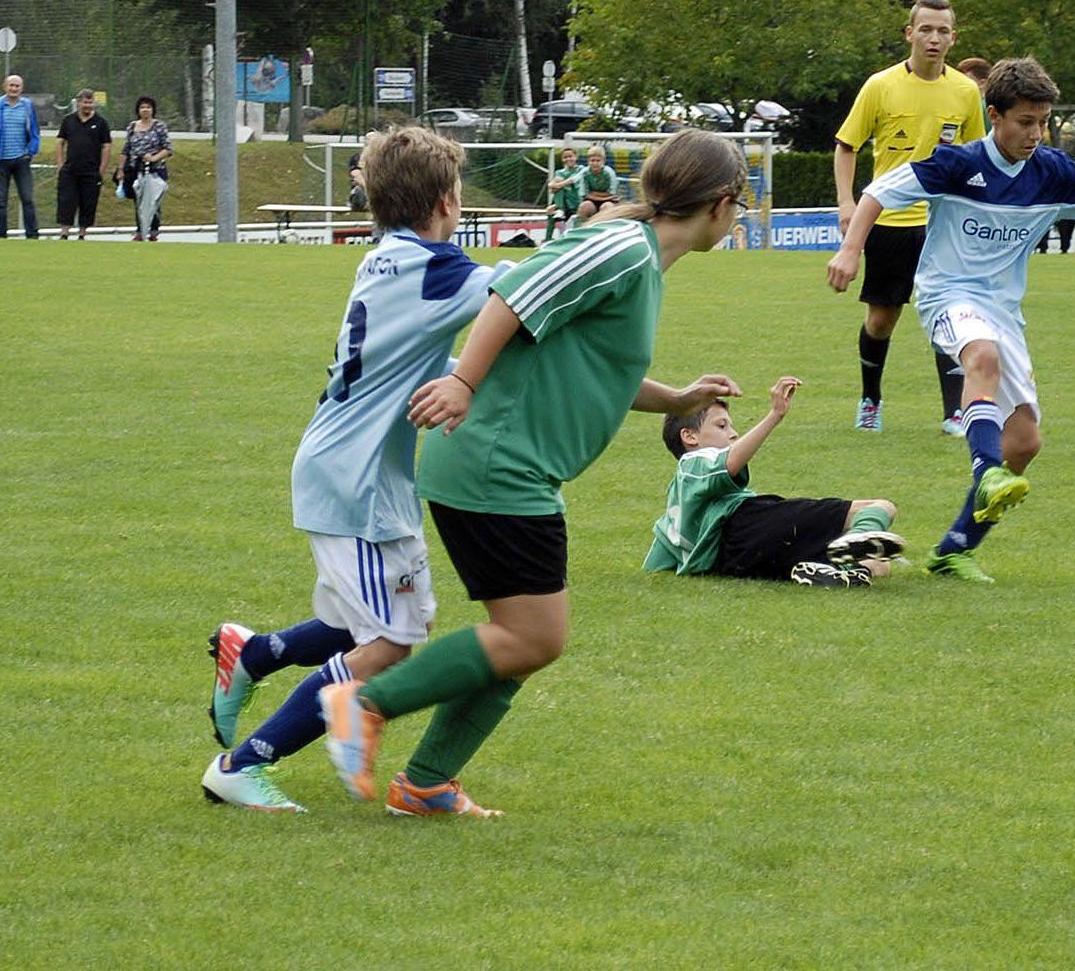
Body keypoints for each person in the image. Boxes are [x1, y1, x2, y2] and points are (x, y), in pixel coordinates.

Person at [318, 129, 747, 818]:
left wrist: (673, 400)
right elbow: (512, 299)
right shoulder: (618, 249)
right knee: (532, 636)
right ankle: (363, 703)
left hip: (509, 468)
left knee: (519, 642)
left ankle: (426, 784)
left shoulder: (636, 258)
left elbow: (584, 362)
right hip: (496, 465)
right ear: (723, 204)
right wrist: (461, 380)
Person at [826, 57, 1075, 583]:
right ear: (993, 114)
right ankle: (983, 469)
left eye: (1042, 122)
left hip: (1003, 309)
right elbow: (877, 193)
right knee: (981, 356)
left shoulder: (1054, 173)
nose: (1035, 133)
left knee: (1023, 444)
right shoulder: (955, 164)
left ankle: (955, 547)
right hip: (946, 293)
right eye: (1025, 121)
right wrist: (850, 250)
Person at [201, 126, 510, 812]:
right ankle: (241, 764)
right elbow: (532, 290)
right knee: (391, 641)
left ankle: (257, 653)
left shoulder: (391, 258)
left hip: (347, 465)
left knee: (362, 621)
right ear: (447, 200)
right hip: (358, 478)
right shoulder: (439, 270)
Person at [835, 0, 987, 436]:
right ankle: (870, 400)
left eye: (943, 31)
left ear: (953, 38)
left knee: (951, 314)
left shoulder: (964, 92)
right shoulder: (880, 86)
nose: (934, 38)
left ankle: (955, 411)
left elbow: (977, 157)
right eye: (926, 29)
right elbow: (847, 146)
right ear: (910, 33)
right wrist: (847, 202)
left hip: (943, 225)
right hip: (889, 222)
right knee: (882, 319)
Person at [642, 376, 904, 588]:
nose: (733, 434)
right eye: (722, 426)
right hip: (745, 525)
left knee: (880, 564)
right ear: (689, 437)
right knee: (880, 506)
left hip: (737, 563)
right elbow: (730, 463)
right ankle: (855, 542)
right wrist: (774, 415)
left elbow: (661, 554)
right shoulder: (693, 463)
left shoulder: (675, 510)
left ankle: (842, 571)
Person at [0, 73, 41, 239]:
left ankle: (33, 235)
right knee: (1, 200)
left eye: (17, 86)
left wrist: (31, 152)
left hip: (21, 160)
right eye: (11, 85)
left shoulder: (27, 107)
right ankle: (1, 235)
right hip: (1, 160)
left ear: (22, 88)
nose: (14, 89)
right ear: (5, 87)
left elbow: (35, 132)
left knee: (27, 198)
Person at [55, 89, 113, 240]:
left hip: (91, 170)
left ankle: (82, 233)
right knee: (66, 201)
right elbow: (60, 141)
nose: (87, 105)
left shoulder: (101, 123)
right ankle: (64, 232)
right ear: (79, 103)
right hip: (70, 169)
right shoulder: (68, 120)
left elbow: (106, 146)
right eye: (84, 102)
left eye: (90, 102)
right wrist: (60, 164)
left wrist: (102, 169)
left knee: (88, 202)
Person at [119, 95, 171, 241]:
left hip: (156, 170)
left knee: (153, 200)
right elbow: (126, 149)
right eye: (142, 107)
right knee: (139, 200)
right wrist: (120, 169)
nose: (145, 110)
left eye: (148, 107)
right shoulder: (132, 127)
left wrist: (154, 158)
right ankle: (140, 230)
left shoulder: (159, 126)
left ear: (153, 109)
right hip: (136, 168)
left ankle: (153, 230)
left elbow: (167, 148)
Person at [543, 144, 584, 241]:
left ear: (576, 157)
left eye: (570, 156)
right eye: (565, 157)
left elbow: (572, 180)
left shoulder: (581, 169)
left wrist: (559, 185)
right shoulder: (559, 172)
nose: (568, 159)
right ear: (562, 159)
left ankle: (560, 210)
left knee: (560, 185)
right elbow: (551, 186)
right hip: (564, 202)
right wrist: (556, 185)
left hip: (576, 202)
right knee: (551, 212)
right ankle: (547, 240)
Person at [575, 144, 618, 221]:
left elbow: (612, 194)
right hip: (591, 201)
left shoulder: (609, 173)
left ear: (603, 161)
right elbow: (585, 194)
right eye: (592, 160)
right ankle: (581, 229)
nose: (595, 163)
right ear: (588, 161)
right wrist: (602, 195)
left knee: (607, 207)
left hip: (608, 201)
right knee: (584, 206)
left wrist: (594, 193)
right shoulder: (585, 173)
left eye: (598, 160)